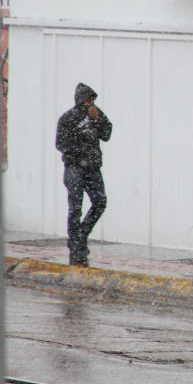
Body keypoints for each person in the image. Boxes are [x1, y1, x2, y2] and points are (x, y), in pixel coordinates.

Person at [55, 83, 113, 267]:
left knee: (100, 202)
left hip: (93, 168)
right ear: (81, 99)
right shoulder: (68, 118)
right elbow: (61, 144)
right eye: (89, 99)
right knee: (75, 208)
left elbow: (106, 134)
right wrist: (80, 154)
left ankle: (79, 238)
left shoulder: (96, 113)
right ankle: (76, 248)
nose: (91, 103)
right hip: (75, 169)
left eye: (93, 100)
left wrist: (97, 120)